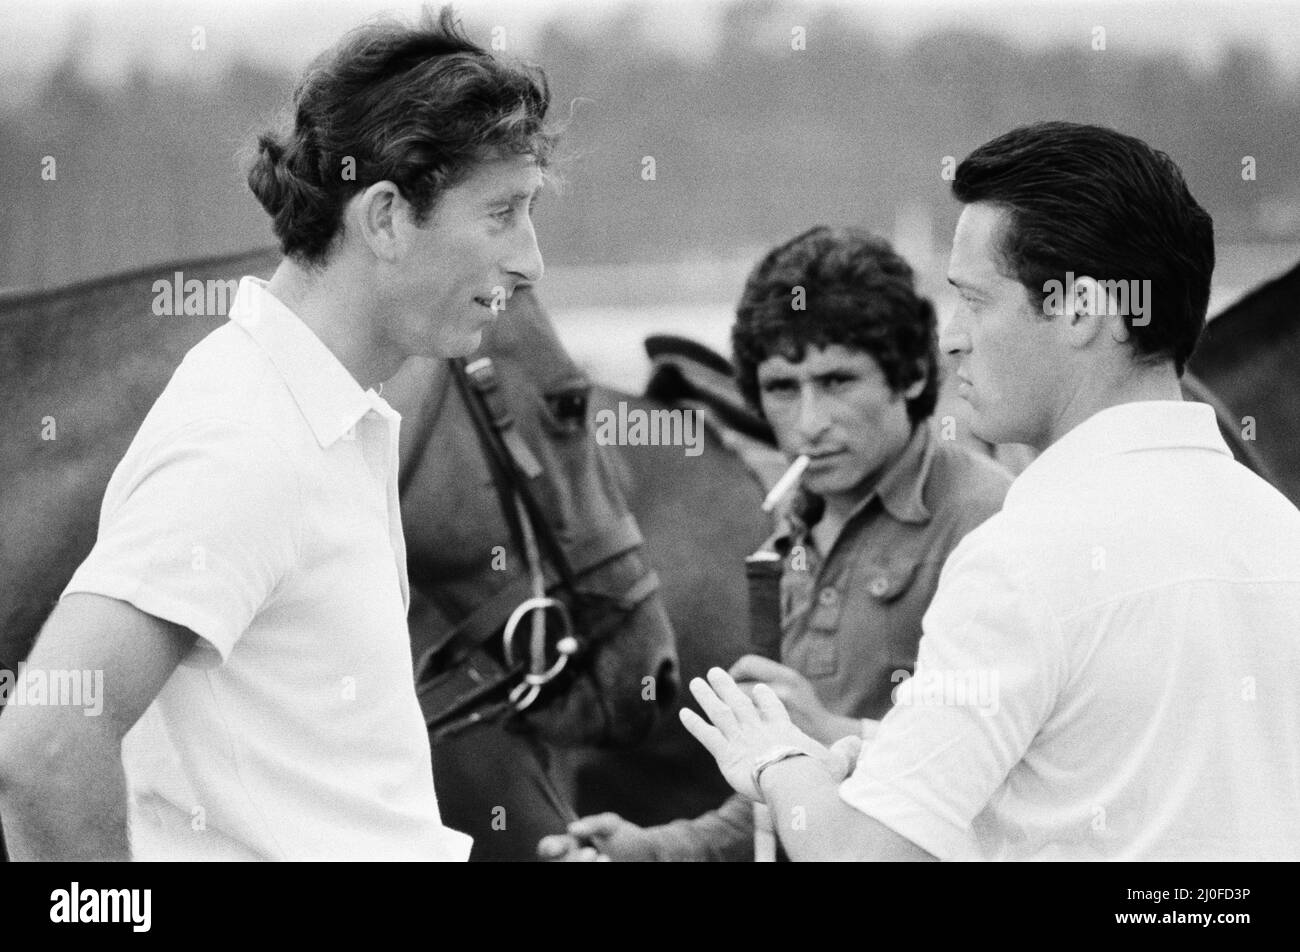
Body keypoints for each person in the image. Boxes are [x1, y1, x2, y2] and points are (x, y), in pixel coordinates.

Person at [0, 7, 552, 860]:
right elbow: (44, 746)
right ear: (386, 218)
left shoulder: (315, 411)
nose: (530, 259)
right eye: (502, 213)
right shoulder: (245, 438)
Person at [681, 121, 1300, 861]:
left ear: (1081, 310)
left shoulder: (1019, 557)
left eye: (975, 300)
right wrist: (866, 753)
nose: (949, 337)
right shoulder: (1280, 530)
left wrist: (773, 762)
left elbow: (866, 855)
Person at [540, 227, 1011, 861]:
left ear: (912, 373)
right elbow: (779, 795)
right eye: (782, 389)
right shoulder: (792, 530)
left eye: (838, 381)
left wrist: (833, 732)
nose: (809, 423)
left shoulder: (987, 518)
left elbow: (1014, 773)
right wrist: (651, 851)